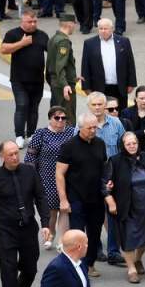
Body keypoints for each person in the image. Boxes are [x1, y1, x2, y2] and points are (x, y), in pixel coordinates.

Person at [0, 139, 51, 287]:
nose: (15, 156)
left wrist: (45, 224)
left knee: (30, 268)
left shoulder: (29, 171)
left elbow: (41, 197)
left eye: (16, 153)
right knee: (8, 272)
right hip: (6, 230)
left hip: (27, 228)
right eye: (10, 154)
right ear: (2, 157)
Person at [103, 132, 145, 284]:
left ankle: (137, 259)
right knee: (128, 238)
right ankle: (131, 269)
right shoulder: (115, 161)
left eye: (134, 143)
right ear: (123, 145)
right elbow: (105, 183)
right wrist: (111, 201)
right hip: (127, 206)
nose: (132, 146)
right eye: (128, 144)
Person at [56, 114, 107, 277]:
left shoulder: (100, 144)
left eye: (95, 127)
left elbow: (104, 168)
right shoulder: (69, 146)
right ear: (80, 128)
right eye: (90, 128)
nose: (93, 131)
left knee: (95, 232)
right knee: (78, 235)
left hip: (97, 197)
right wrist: (63, 200)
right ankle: (76, 266)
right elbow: (59, 174)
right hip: (76, 197)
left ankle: (89, 264)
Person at [25, 106, 76, 249]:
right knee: (51, 210)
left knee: (64, 209)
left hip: (68, 176)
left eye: (63, 118)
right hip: (46, 177)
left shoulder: (72, 132)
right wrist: (31, 177)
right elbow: (30, 156)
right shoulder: (40, 134)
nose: (60, 121)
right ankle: (51, 233)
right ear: (50, 118)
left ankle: (62, 240)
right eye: (57, 118)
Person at [2, 11, 50, 149]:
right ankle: (19, 136)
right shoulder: (13, 34)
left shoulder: (42, 35)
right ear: (22, 21)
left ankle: (31, 134)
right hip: (19, 80)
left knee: (34, 108)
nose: (33, 24)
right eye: (30, 21)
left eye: (35, 21)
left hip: (38, 80)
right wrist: (22, 43)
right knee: (22, 106)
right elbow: (4, 49)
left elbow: (51, 51)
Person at [80, 19, 137, 110]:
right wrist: (86, 87)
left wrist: (131, 83)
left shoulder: (123, 41)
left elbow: (130, 63)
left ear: (112, 29)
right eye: (100, 28)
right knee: (100, 113)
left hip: (119, 86)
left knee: (121, 112)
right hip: (99, 87)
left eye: (105, 28)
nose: (103, 31)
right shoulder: (89, 43)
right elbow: (85, 66)